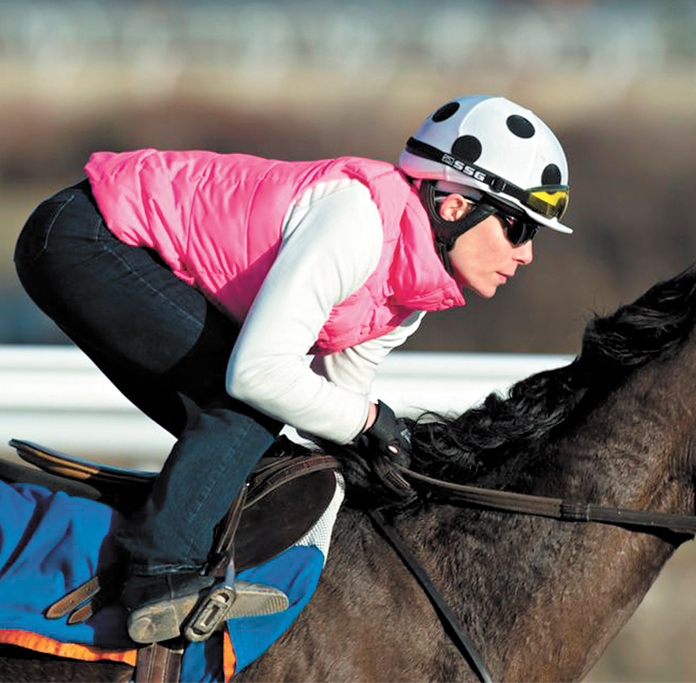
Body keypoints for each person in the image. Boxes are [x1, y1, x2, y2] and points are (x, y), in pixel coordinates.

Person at [13, 94, 571, 644]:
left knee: (270, 444)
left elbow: (329, 415)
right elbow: (259, 376)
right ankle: (157, 576)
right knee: (248, 407)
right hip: (83, 236)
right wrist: (371, 420)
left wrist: (372, 460)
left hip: (110, 250)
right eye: (519, 229)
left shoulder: (407, 302)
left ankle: (215, 565)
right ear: (455, 205)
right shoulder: (355, 220)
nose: (526, 255)